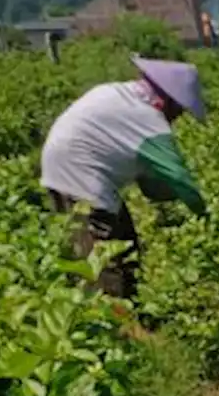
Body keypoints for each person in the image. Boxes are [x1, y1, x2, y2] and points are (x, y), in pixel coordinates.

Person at [40, 54, 208, 300]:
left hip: (62, 170)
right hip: (82, 180)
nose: (178, 118)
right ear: (168, 101)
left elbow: (151, 187)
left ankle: (125, 309)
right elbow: (181, 181)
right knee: (104, 258)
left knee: (124, 242)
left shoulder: (116, 93)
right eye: (180, 110)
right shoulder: (149, 120)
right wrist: (206, 218)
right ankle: (116, 320)